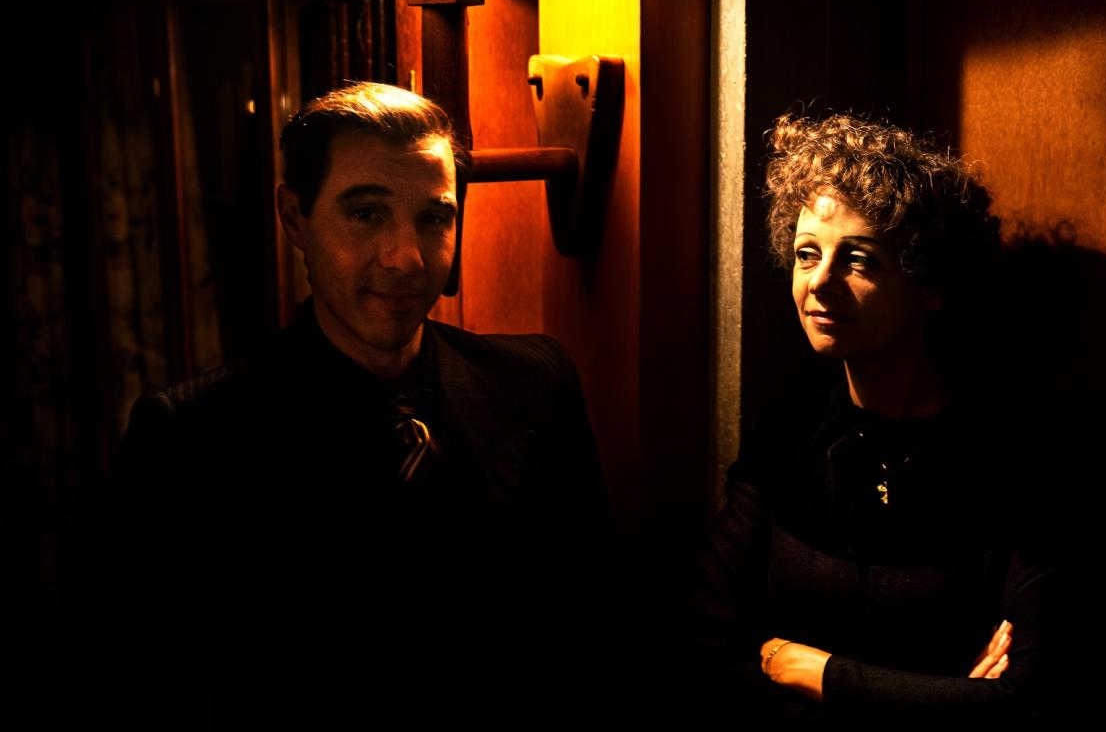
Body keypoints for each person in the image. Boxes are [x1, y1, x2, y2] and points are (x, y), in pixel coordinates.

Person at [98, 82, 615, 728]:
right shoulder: (193, 437)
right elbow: (142, 690)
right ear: (295, 218)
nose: (406, 258)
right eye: (367, 213)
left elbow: (598, 632)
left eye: (434, 217)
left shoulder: (536, 385)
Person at [693, 113, 1053, 724]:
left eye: (858, 260)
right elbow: (702, 651)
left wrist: (812, 670)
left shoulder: (1018, 462)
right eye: (806, 254)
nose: (820, 282)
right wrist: (931, 699)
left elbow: (1021, 706)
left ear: (932, 283)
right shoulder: (785, 437)